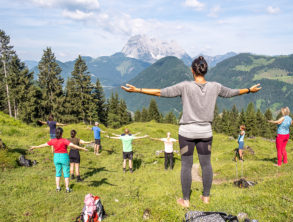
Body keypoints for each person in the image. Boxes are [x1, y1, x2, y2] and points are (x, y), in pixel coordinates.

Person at [121, 56, 262, 207]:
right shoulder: (215, 86)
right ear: (205, 70)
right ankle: (206, 197)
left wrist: (138, 90)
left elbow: (161, 92)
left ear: (192, 70)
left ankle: (186, 200)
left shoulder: (185, 86)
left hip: (186, 133)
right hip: (205, 133)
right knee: (206, 164)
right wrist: (249, 90)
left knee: (186, 166)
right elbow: (232, 92)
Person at [30, 127, 88, 192]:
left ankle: (58, 188)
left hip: (56, 157)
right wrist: (83, 149)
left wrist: (35, 147)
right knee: (66, 172)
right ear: (61, 133)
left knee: (58, 172)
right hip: (64, 157)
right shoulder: (64, 140)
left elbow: (44, 145)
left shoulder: (53, 140)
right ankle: (67, 188)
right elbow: (74, 145)